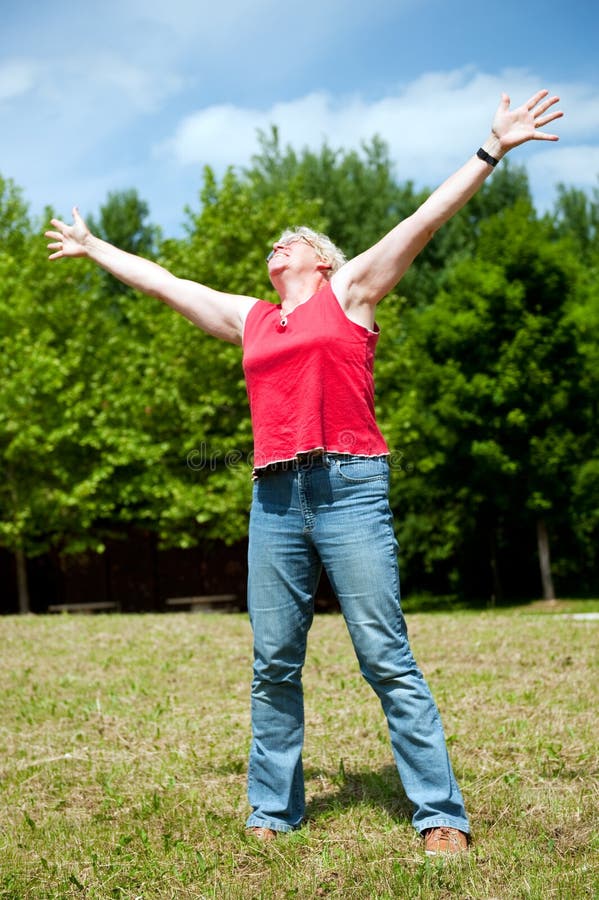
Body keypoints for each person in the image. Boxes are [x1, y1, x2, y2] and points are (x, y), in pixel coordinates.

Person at [46, 89, 562, 855]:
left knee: (384, 656)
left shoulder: (350, 293)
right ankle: (273, 809)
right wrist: (97, 250)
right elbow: (165, 282)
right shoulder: (252, 319)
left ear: (321, 258)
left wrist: (490, 150)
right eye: (272, 247)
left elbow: (423, 220)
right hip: (275, 497)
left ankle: (439, 814)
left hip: (349, 488)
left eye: (289, 243)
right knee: (273, 662)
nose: (273, 249)